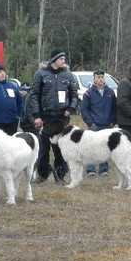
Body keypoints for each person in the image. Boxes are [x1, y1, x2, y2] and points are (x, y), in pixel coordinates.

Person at [29, 49, 79, 185]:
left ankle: (60, 176)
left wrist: (71, 108)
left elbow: (74, 94)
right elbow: (34, 96)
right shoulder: (40, 74)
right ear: (54, 60)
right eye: (61, 58)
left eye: (64, 59)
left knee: (60, 149)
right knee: (43, 149)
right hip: (45, 117)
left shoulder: (68, 75)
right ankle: (42, 175)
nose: (64, 61)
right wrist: (36, 116)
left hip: (62, 117)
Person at [81, 69, 117, 176]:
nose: (101, 79)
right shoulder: (88, 93)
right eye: (98, 77)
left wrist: (113, 121)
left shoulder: (110, 92)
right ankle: (91, 169)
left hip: (107, 125)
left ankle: (104, 169)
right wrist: (90, 123)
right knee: (91, 147)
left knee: (105, 148)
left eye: (102, 77)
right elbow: (84, 110)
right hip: (94, 125)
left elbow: (114, 108)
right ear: (94, 79)